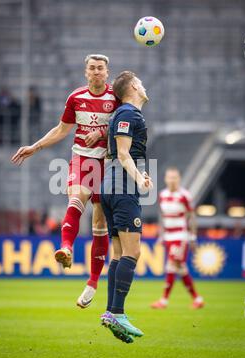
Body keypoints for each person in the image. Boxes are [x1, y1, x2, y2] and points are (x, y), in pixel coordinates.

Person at [11, 54, 119, 308]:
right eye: (91, 68)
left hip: (107, 164)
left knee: (99, 220)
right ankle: (66, 248)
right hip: (81, 160)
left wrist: (101, 132)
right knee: (76, 196)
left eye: (100, 68)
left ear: (107, 72)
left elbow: (125, 125)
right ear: (85, 72)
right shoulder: (76, 98)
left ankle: (92, 283)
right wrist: (35, 146)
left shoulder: (116, 98)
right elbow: (62, 129)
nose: (96, 72)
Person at [100, 71, 153, 343]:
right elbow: (122, 154)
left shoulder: (126, 115)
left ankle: (111, 313)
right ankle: (118, 312)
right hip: (122, 189)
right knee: (134, 252)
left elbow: (122, 155)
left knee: (119, 254)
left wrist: (140, 175)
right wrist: (138, 180)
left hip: (112, 186)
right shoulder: (129, 113)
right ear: (133, 86)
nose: (144, 85)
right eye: (140, 81)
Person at [151, 167, 204, 309]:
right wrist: (161, 235)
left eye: (175, 177)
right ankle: (197, 299)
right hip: (168, 235)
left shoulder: (184, 195)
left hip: (180, 235)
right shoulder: (162, 194)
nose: (172, 180)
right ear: (165, 179)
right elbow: (162, 216)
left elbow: (192, 217)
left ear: (179, 179)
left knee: (172, 265)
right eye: (170, 177)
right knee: (180, 268)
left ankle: (164, 300)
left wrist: (192, 237)